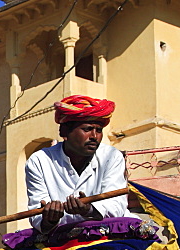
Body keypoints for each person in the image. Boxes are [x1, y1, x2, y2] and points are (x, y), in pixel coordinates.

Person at [25, 94, 130, 232]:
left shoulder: (112, 157)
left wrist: (88, 210)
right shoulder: (39, 160)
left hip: (108, 233)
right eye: (87, 129)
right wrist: (50, 218)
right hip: (59, 238)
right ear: (64, 132)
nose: (94, 137)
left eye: (98, 130)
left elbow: (116, 206)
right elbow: (36, 214)